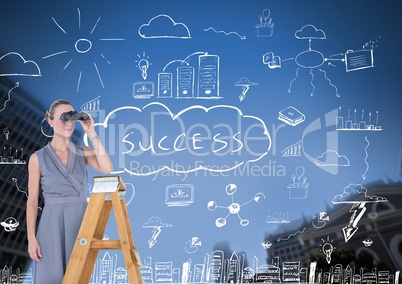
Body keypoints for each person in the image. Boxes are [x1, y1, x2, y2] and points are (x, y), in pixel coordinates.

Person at [26, 99, 113, 283]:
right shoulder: (37, 158)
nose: (69, 123)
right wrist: (31, 238)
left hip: (80, 222)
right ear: (50, 121)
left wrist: (91, 132)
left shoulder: (84, 151)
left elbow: (107, 168)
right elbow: (32, 201)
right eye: (63, 118)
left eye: (72, 118)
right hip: (51, 225)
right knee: (51, 277)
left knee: (78, 276)